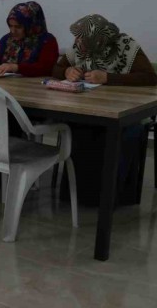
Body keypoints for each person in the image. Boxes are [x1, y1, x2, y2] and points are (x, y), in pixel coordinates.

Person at [53, 14, 157, 206]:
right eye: (77, 38)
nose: (77, 43)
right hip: (89, 108)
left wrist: (109, 78)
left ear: (98, 39)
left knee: (118, 133)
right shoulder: (79, 46)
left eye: (82, 39)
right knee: (79, 128)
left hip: (124, 110)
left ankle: (108, 197)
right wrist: (66, 71)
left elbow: (149, 77)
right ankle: (78, 194)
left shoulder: (125, 45)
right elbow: (57, 69)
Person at [0, 1, 59, 77]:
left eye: (18, 27)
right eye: (10, 26)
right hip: (7, 88)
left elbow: (46, 69)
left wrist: (16, 68)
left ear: (30, 25)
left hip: (34, 90)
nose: (13, 31)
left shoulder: (47, 41)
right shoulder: (7, 39)